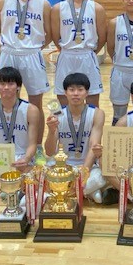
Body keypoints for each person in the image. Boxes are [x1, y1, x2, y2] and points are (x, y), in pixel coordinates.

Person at [0, 0, 51, 144]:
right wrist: (6, 46)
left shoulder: (43, 3)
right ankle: (10, 143)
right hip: (9, 53)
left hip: (32, 54)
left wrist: (34, 48)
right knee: (8, 100)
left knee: (36, 103)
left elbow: (49, 33)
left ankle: (37, 146)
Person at [44, 73, 106, 203]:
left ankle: (63, 192)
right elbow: (49, 152)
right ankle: (85, 192)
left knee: (101, 177)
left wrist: (83, 173)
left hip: (87, 165)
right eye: (71, 90)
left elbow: (93, 147)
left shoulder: (97, 113)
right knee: (42, 175)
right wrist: (51, 131)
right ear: (65, 93)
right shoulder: (57, 114)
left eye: (80, 90)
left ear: (87, 93)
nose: (76, 94)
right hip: (62, 166)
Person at [51, 0, 106, 107]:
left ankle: (89, 122)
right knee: (63, 99)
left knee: (92, 99)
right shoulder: (58, 9)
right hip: (66, 55)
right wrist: (66, 49)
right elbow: (55, 36)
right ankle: (65, 123)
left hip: (87, 55)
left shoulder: (97, 8)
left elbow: (102, 37)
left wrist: (91, 52)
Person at [0, 67, 39, 171]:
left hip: (22, 156)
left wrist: (26, 159)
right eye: (2, 84)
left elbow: (32, 144)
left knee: (28, 174)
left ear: (18, 87)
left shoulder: (31, 110)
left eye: (11, 84)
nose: (6, 87)